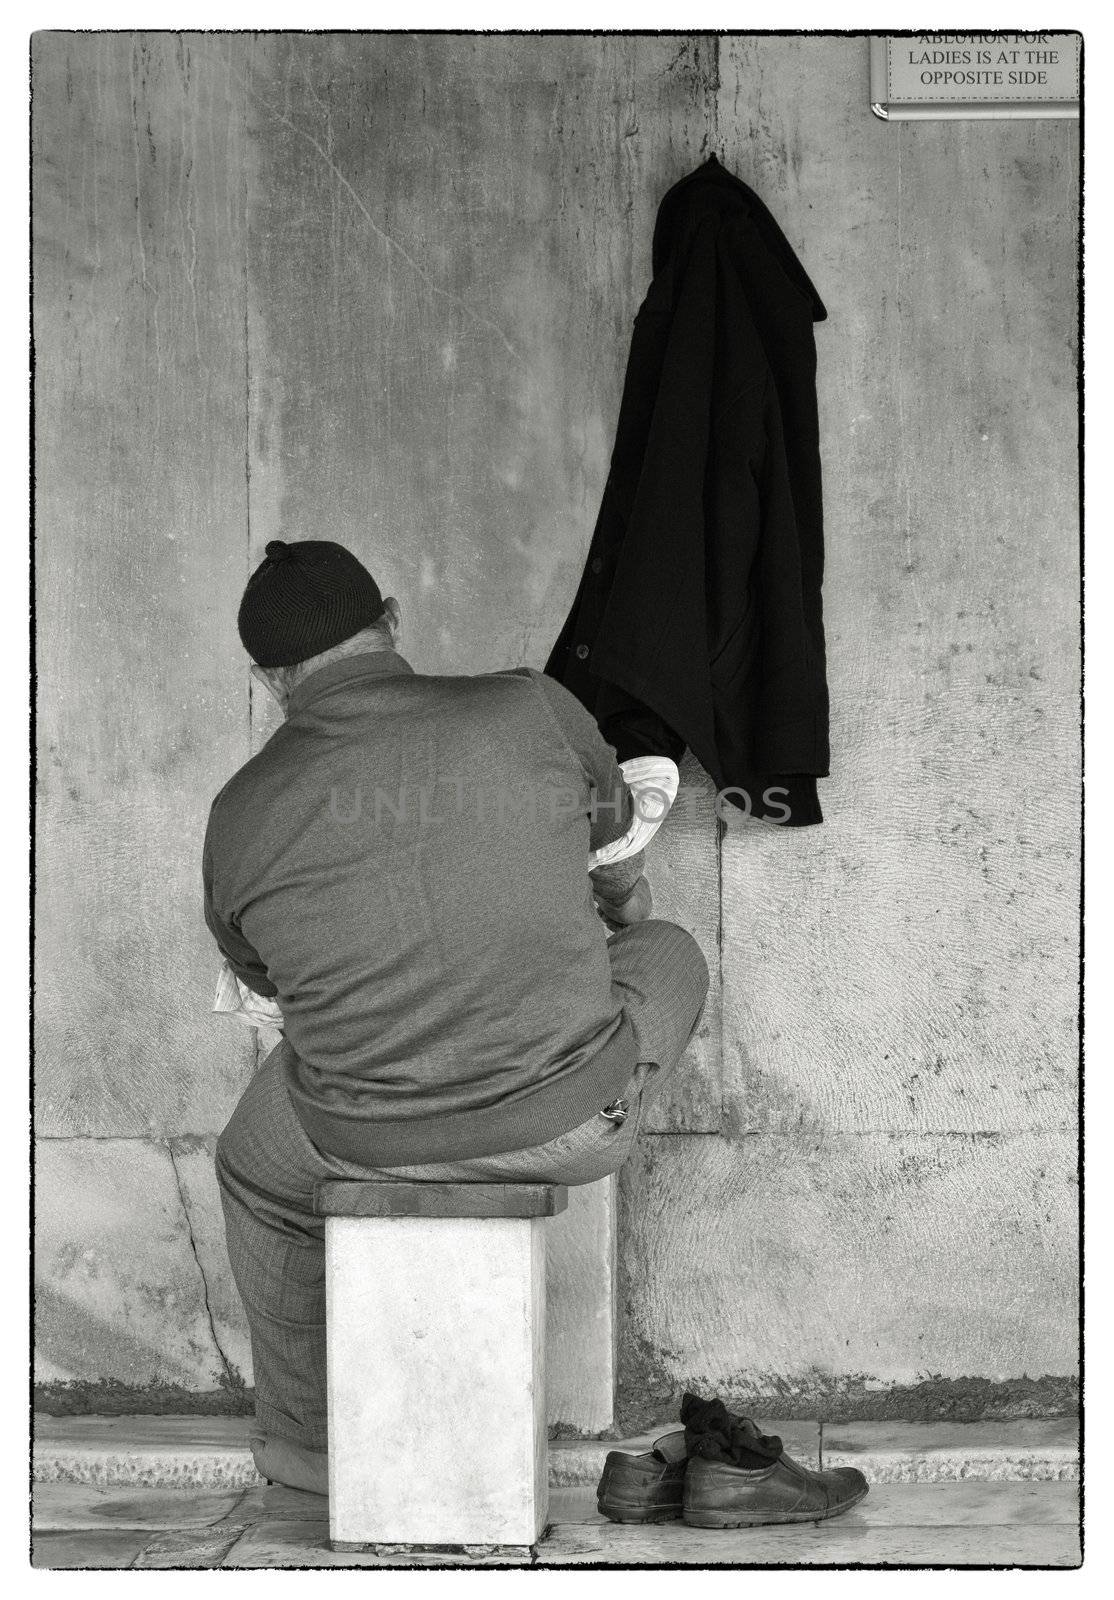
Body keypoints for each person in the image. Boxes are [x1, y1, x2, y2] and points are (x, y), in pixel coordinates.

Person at [206, 538, 710, 1495]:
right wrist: (616, 911)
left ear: (271, 679)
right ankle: (594, 1082)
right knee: (669, 953)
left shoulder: (240, 808)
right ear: (390, 620)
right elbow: (612, 847)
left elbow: (263, 980)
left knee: (252, 1165)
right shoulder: (529, 703)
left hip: (356, 1135)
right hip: (565, 1125)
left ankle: (307, 1450)